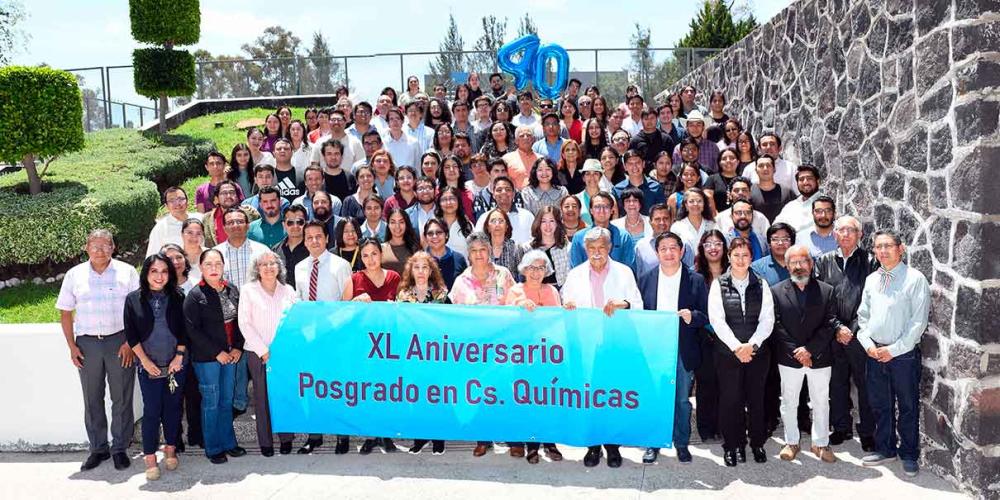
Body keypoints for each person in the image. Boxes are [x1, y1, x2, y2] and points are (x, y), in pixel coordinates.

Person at [57, 229, 140, 472]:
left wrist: (130, 343)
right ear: (86, 248)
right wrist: (72, 346)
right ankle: (98, 448)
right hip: (87, 344)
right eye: (95, 246)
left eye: (105, 245)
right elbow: (65, 312)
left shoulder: (127, 272)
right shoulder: (75, 275)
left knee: (121, 398)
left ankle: (119, 448)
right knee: (92, 398)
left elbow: (137, 311)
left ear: (113, 248)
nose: (100, 250)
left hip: (120, 342)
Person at [562, 227, 643, 468]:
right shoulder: (575, 275)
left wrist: (623, 303)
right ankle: (593, 446)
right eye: (591, 248)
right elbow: (564, 304)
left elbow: (638, 304)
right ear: (585, 249)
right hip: (586, 344)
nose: (596, 253)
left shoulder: (624, 272)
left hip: (614, 344)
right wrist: (567, 305)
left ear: (609, 248)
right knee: (589, 397)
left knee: (612, 396)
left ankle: (613, 447)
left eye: (601, 248)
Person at [857, 230, 930, 477]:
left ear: (901, 249)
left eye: (888, 245)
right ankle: (885, 449)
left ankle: (909, 454)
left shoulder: (914, 279)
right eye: (878, 247)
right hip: (875, 351)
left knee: (908, 406)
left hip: (903, 355)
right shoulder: (872, 279)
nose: (883, 251)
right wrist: (866, 342)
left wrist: (894, 350)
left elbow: (918, 322)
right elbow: (863, 316)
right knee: (881, 404)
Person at [637, 232, 709, 464]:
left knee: (681, 400)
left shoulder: (695, 279)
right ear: (657, 253)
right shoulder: (646, 278)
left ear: (682, 251)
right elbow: (639, 315)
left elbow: (707, 315)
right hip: (654, 349)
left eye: (673, 248)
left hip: (683, 348)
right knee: (655, 398)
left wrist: (692, 316)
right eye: (663, 249)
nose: (668, 253)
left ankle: (681, 443)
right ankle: (653, 443)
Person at [447, 232, 518, 457]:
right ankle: (483, 438)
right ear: (469, 254)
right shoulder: (461, 281)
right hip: (475, 348)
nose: (479, 254)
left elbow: (515, 303)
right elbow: (455, 317)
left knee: (506, 390)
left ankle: (514, 438)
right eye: (474, 251)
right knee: (479, 391)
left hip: (502, 345)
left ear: (489, 251)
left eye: (483, 250)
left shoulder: (503, 274)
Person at [707, 237, 775, 467]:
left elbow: (767, 320)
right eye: (736, 255)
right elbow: (717, 320)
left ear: (751, 257)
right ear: (729, 257)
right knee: (730, 400)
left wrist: (752, 346)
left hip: (757, 354)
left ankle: (756, 443)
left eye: (745, 255)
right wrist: (737, 347)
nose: (740, 259)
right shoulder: (719, 284)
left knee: (757, 400)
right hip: (728, 354)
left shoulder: (762, 284)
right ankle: (732, 445)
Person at [814, 216, 877, 451]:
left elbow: (872, 302)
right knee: (837, 383)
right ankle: (841, 427)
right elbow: (820, 299)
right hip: (833, 333)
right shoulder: (823, 262)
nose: (846, 234)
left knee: (865, 384)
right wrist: (837, 327)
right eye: (841, 230)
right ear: (834, 235)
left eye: (851, 230)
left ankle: (868, 432)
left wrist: (851, 330)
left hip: (861, 335)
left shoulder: (871, 262)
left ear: (859, 234)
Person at [772, 245, 839, 464]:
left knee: (821, 401)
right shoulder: (776, 291)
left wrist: (810, 350)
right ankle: (791, 442)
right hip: (789, 358)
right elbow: (777, 324)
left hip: (819, 357)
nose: (799, 266)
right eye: (793, 262)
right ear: (787, 265)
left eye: (803, 261)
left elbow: (830, 324)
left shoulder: (827, 290)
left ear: (811, 264)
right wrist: (797, 351)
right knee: (789, 401)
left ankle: (821, 443)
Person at [124, 254, 187, 481]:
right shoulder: (133, 299)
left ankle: (170, 448)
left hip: (175, 365)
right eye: (154, 271)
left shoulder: (178, 296)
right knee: (152, 411)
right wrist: (145, 362)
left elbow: (184, 331)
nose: (159, 276)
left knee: (172, 409)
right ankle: (150, 458)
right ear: (146, 273)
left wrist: (178, 357)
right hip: (148, 366)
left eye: (164, 271)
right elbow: (131, 335)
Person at [293, 221, 354, 454]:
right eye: (309, 237)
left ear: (327, 238)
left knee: (337, 386)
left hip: (335, 336)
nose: (314, 241)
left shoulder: (341, 265)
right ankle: (314, 435)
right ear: (305, 240)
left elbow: (347, 303)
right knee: (312, 385)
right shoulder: (299, 267)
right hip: (309, 337)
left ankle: (342, 435)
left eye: (318, 236)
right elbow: (298, 301)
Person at [502, 250, 566, 464]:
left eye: (540, 267)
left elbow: (559, 321)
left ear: (546, 270)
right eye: (532, 267)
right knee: (527, 400)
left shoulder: (552, 291)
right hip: (522, 357)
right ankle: (532, 445)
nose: (536, 272)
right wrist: (518, 307)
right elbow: (505, 321)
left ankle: (550, 442)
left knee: (548, 400)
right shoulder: (515, 290)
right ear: (524, 269)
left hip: (547, 356)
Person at [183, 249, 246, 465]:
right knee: (211, 401)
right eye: (208, 264)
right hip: (208, 359)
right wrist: (216, 353)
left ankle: (229, 443)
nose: (213, 269)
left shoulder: (231, 289)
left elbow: (240, 321)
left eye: (217, 264)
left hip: (231, 355)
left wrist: (237, 347)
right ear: (200, 267)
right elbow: (192, 331)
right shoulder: (195, 295)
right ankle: (213, 447)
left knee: (226, 401)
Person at [238, 251, 298, 457]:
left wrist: (284, 350)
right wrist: (263, 351)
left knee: (283, 395)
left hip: (283, 354)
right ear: (257, 269)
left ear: (279, 267)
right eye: (263, 264)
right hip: (257, 353)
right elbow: (244, 323)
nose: (269, 267)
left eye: (273, 263)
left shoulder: (288, 291)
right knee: (262, 398)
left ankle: (286, 437)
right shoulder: (248, 291)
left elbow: (295, 322)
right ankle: (265, 442)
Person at [396, 251, 451, 455]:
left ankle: (438, 438)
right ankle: (419, 438)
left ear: (431, 271)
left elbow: (450, 323)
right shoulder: (403, 295)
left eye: (425, 267)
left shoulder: (441, 294)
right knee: (416, 397)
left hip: (436, 355)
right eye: (416, 267)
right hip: (412, 355)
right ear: (411, 270)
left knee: (437, 396)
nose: (420, 271)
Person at [693, 230, 728, 442]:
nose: (713, 248)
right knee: (706, 383)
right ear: (702, 248)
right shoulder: (694, 275)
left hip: (730, 338)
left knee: (728, 384)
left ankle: (725, 425)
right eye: (708, 244)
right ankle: (706, 427)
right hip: (703, 337)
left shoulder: (735, 271)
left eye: (718, 243)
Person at [569, 191, 635, 268]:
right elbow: (576, 270)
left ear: (611, 211)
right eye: (597, 207)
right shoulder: (579, 237)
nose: (602, 211)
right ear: (591, 210)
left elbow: (629, 269)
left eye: (606, 207)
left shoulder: (623, 237)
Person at [473, 176, 535, 244]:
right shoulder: (484, 218)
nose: (503, 192)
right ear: (493, 194)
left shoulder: (527, 216)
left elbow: (534, 241)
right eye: (499, 190)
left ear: (513, 193)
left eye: (508, 189)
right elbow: (477, 243)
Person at [521, 206, 571, 288]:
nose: (548, 225)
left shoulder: (567, 247)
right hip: (535, 292)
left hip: (562, 293)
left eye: (552, 221)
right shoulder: (527, 248)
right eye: (543, 221)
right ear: (538, 223)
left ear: (557, 223)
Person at [147, 187, 199, 256]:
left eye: (181, 199)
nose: (177, 203)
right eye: (172, 200)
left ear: (187, 201)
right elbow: (152, 256)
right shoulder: (160, 228)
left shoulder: (200, 218)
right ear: (166, 206)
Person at [715, 177, 769, 243]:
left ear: (750, 194)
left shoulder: (760, 218)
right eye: (736, 190)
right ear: (730, 195)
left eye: (744, 190)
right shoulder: (720, 218)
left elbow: (767, 243)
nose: (740, 193)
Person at [613, 150, 666, 215]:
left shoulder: (656, 187)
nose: (634, 167)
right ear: (625, 167)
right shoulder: (617, 189)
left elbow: (662, 213)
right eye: (630, 164)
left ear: (643, 164)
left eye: (637, 163)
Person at [774, 165, 823, 233]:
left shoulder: (826, 204)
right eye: (801, 179)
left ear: (818, 181)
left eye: (809, 178)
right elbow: (774, 229)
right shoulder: (790, 206)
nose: (805, 182)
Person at [423, 218, 468, 288]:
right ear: (425, 237)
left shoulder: (458, 259)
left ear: (446, 234)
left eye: (439, 232)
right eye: (430, 233)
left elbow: (466, 288)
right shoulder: (419, 260)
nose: (435, 236)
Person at [670, 187, 717, 252]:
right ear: (686, 205)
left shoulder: (713, 225)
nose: (695, 204)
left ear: (704, 204)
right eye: (691, 201)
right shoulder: (677, 227)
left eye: (699, 201)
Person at [273, 205, 309, 286]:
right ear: (284, 225)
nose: (295, 226)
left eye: (299, 222)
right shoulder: (276, 250)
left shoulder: (312, 249)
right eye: (290, 222)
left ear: (306, 223)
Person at [382, 208, 421, 275]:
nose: (397, 226)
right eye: (393, 222)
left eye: (401, 222)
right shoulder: (380, 248)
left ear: (406, 224)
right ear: (388, 225)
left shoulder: (415, 248)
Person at [703, 149, 740, 214]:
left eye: (732, 158)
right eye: (724, 159)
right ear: (719, 163)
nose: (728, 161)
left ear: (738, 161)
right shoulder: (712, 179)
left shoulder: (742, 180)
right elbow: (707, 195)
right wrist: (715, 214)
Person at [502, 125, 539, 190]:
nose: (526, 138)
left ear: (533, 139)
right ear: (516, 141)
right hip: (516, 197)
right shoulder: (506, 159)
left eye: (529, 135)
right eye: (522, 136)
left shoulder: (541, 159)